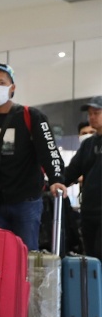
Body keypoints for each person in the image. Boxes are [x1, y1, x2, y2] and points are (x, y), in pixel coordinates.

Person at [0, 62, 65, 252]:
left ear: (12, 87)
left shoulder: (30, 115)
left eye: (1, 83)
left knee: (26, 254)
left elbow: (49, 150)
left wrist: (56, 179)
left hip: (26, 201)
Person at [65, 96, 101, 259]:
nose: (92, 117)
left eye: (96, 113)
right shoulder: (88, 145)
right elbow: (71, 172)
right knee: (91, 258)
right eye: (90, 114)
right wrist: (53, 181)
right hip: (88, 211)